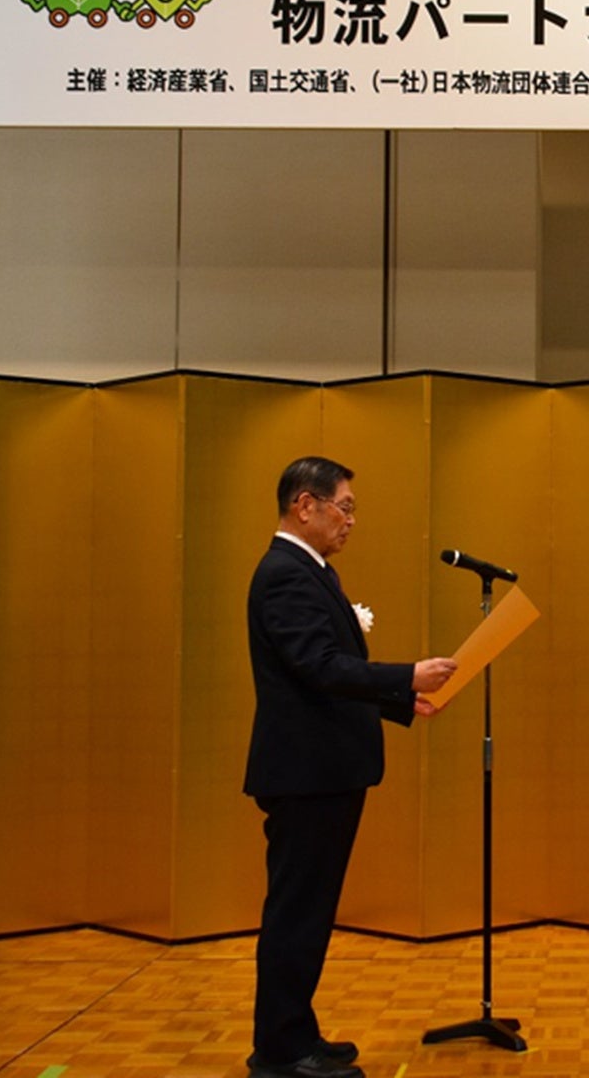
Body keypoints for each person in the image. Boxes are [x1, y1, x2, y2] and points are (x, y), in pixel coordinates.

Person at [244, 456, 453, 1078]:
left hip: (324, 771)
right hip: (307, 774)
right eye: (345, 507)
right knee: (297, 912)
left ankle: (295, 1031)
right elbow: (318, 666)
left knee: (309, 911)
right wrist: (405, 675)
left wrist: (399, 702)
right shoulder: (285, 575)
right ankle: (282, 1051)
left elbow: (326, 673)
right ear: (304, 505)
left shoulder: (311, 572)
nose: (351, 520)